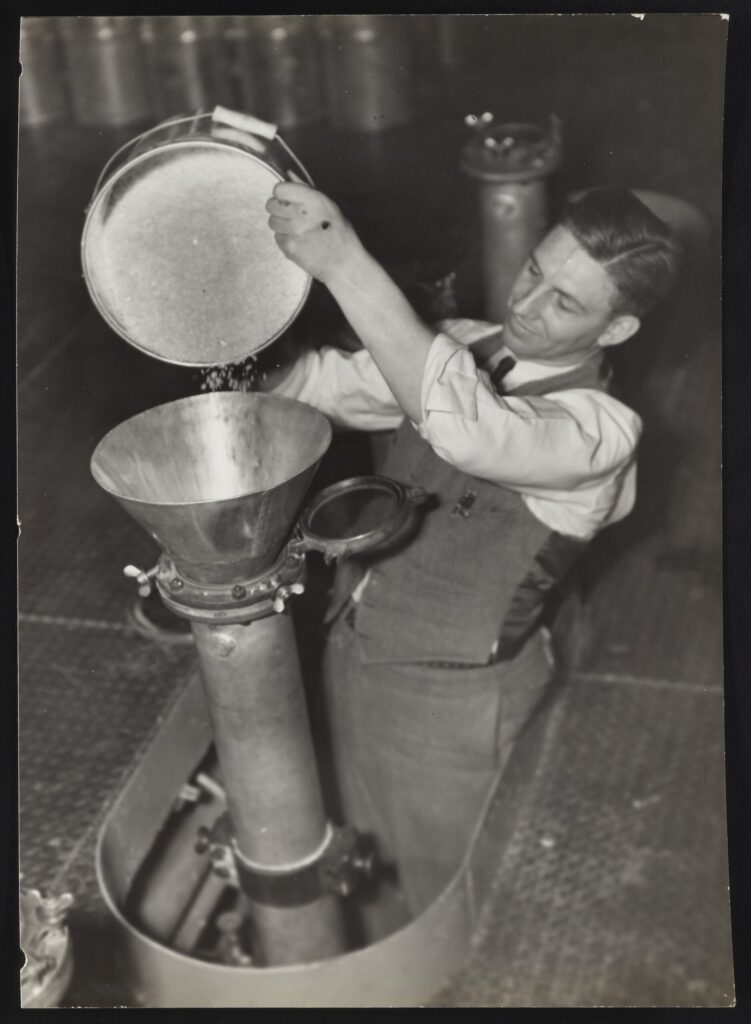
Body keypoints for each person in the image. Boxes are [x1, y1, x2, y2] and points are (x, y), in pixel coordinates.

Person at [263, 184, 680, 930]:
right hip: (355, 657)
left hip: (450, 702)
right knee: (368, 873)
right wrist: (249, 360)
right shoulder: (467, 342)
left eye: (564, 303)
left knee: (448, 910)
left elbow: (471, 430)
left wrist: (345, 261)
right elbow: (338, 386)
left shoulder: (600, 433)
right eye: (533, 272)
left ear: (615, 329)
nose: (527, 305)